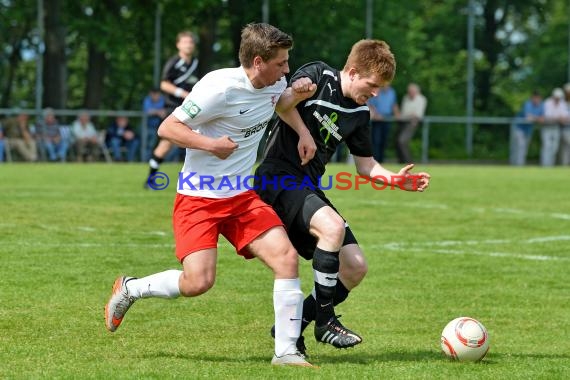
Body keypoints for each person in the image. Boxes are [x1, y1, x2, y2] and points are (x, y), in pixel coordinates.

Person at [105, 23, 317, 367]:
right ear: (259, 61)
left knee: (286, 258)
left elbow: (279, 103)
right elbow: (168, 128)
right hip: (198, 199)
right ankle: (131, 289)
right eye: (281, 63)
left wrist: (303, 129)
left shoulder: (274, 82)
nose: (287, 69)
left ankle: (287, 352)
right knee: (198, 282)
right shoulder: (218, 88)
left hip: (241, 197)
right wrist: (211, 145)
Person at [255, 39, 431, 357]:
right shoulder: (319, 76)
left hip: (307, 185)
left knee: (354, 267)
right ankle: (325, 322)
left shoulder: (360, 113)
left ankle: (289, 329)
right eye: (372, 85)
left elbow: (365, 166)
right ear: (352, 71)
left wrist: (394, 180)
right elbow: (281, 104)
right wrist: (304, 125)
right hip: (277, 178)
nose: (375, 93)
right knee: (332, 227)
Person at [144, 31, 200, 188]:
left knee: (198, 140)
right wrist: (183, 94)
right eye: (185, 42)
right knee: (166, 145)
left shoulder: (195, 63)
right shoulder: (174, 62)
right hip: (174, 109)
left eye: (191, 42)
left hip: (192, 108)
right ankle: (150, 178)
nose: (188, 44)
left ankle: (196, 180)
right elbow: (164, 84)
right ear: (178, 45)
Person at [396, 83, 427, 163]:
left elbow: (417, 114)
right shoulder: (405, 98)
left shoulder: (421, 99)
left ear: (417, 91)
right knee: (398, 141)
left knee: (402, 141)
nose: (410, 93)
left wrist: (409, 115)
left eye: (412, 91)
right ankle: (402, 161)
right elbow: (404, 112)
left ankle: (408, 162)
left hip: (413, 123)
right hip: (403, 122)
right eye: (409, 91)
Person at [367, 85, 400, 163]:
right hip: (376, 119)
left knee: (384, 141)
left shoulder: (392, 92)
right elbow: (370, 104)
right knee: (376, 141)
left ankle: (381, 161)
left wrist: (397, 114)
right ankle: (375, 160)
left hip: (387, 119)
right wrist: (376, 114)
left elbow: (394, 105)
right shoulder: (377, 91)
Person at [511, 91, 544, 166]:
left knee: (524, 148)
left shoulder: (541, 105)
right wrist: (537, 118)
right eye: (535, 98)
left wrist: (534, 118)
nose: (536, 100)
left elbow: (542, 119)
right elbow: (528, 117)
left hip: (528, 130)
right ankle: (517, 166)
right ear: (532, 98)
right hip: (519, 128)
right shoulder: (527, 104)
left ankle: (519, 165)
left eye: (538, 98)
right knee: (519, 147)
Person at [541, 88, 569, 166]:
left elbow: (565, 117)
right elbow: (548, 116)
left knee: (554, 147)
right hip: (547, 127)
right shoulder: (547, 102)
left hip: (556, 128)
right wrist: (558, 118)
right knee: (547, 146)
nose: (558, 99)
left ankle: (551, 164)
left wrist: (558, 118)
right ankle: (545, 165)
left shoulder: (562, 103)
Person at [142, 88, 167, 160]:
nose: (155, 96)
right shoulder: (147, 100)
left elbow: (166, 111)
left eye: (156, 94)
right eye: (153, 94)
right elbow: (147, 111)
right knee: (149, 145)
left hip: (161, 127)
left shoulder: (163, 100)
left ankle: (156, 160)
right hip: (148, 127)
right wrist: (158, 112)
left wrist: (157, 112)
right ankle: (146, 160)